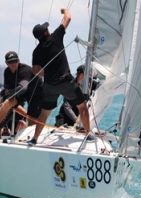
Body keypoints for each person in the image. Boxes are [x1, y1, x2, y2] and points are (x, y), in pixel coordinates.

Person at [29, 8, 93, 145]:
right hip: (65, 82)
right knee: (82, 106)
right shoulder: (56, 36)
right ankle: (88, 134)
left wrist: (46, 73)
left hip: (49, 85)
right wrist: (64, 10)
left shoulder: (36, 51)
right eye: (47, 29)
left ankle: (34, 139)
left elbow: (35, 71)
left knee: (44, 113)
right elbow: (68, 18)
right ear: (46, 32)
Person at [0, 51, 43, 129]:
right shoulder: (7, 72)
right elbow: (7, 89)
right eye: (10, 62)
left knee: (32, 121)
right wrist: (1, 100)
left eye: (15, 61)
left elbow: (23, 88)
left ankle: (31, 133)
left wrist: (9, 94)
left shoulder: (25, 70)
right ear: (6, 63)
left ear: (18, 61)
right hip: (21, 93)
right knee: (7, 103)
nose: (13, 64)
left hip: (36, 94)